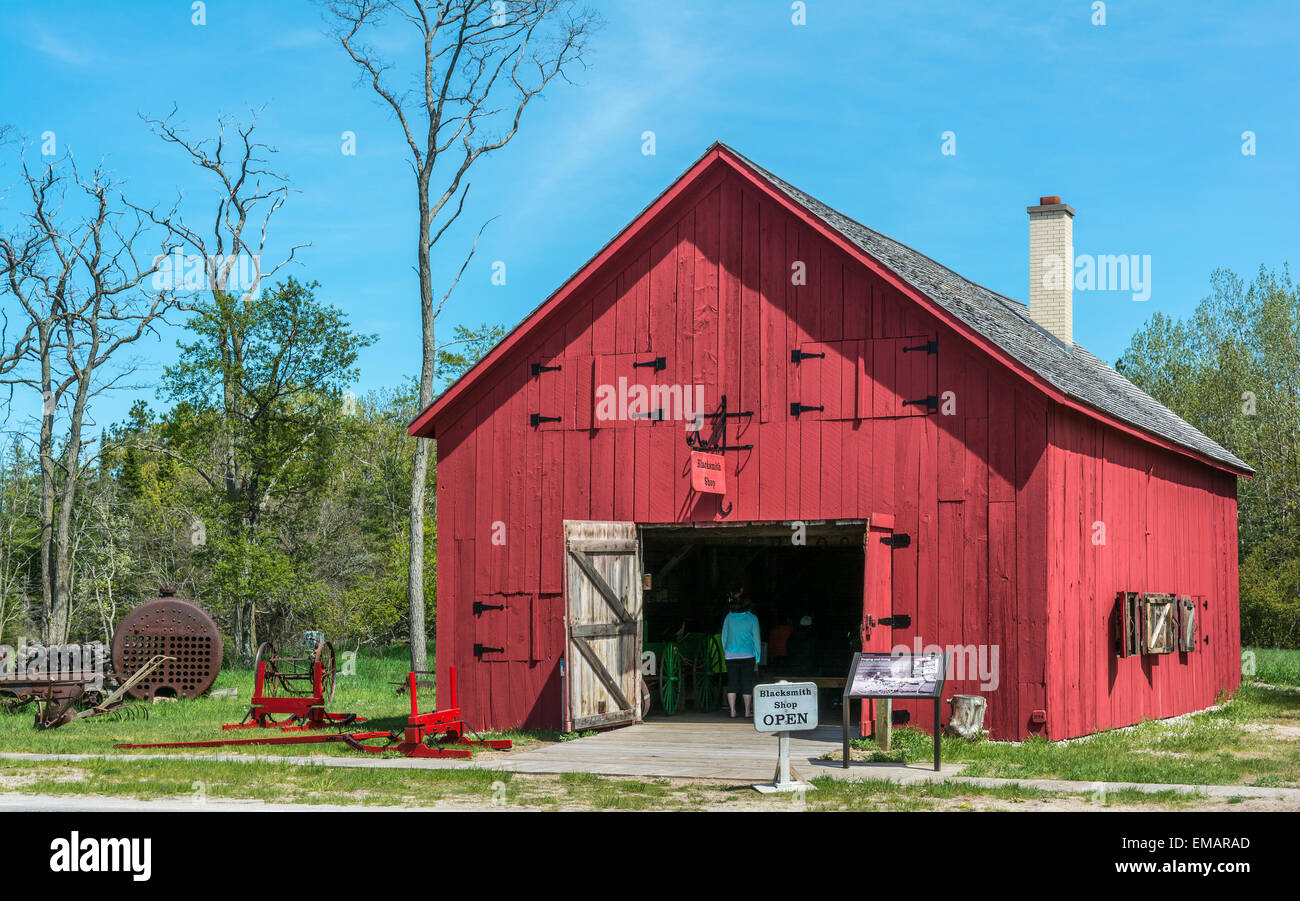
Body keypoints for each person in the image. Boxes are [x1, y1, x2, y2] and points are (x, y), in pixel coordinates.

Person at [721, 583, 761, 718]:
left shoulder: (728, 617)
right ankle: (747, 711)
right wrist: (758, 657)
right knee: (746, 683)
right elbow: (756, 639)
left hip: (730, 655)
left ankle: (732, 711)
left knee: (732, 682)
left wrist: (726, 650)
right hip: (748, 655)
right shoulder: (753, 618)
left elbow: (723, 636)